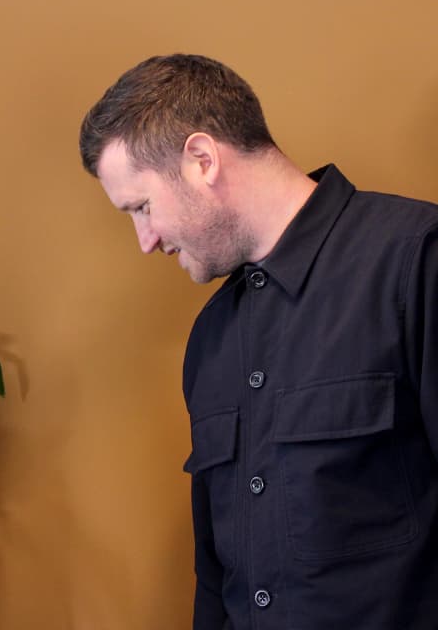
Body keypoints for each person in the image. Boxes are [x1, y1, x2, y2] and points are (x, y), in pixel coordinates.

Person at [79, 54, 438, 629]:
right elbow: (217, 582)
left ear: (201, 160)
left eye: (142, 207)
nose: (145, 240)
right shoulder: (211, 339)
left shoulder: (415, 257)